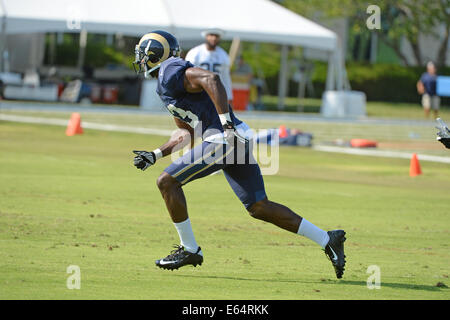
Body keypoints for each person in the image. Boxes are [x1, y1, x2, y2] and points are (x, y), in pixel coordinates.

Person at [131, 30, 347, 279]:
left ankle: (190, 249)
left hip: (225, 137)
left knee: (167, 182)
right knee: (258, 206)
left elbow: (211, 78)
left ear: (154, 53)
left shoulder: (170, 69)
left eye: (142, 52)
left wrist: (226, 125)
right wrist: (156, 154)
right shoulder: (165, 84)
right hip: (231, 137)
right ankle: (327, 238)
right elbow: (185, 134)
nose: (139, 58)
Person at [185, 28, 233, 107]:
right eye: (211, 35)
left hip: (216, 90)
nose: (214, 38)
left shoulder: (223, 55)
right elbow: (187, 75)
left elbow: (226, 78)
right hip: (198, 90)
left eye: (216, 36)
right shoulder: (195, 53)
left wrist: (229, 96)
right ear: (206, 36)